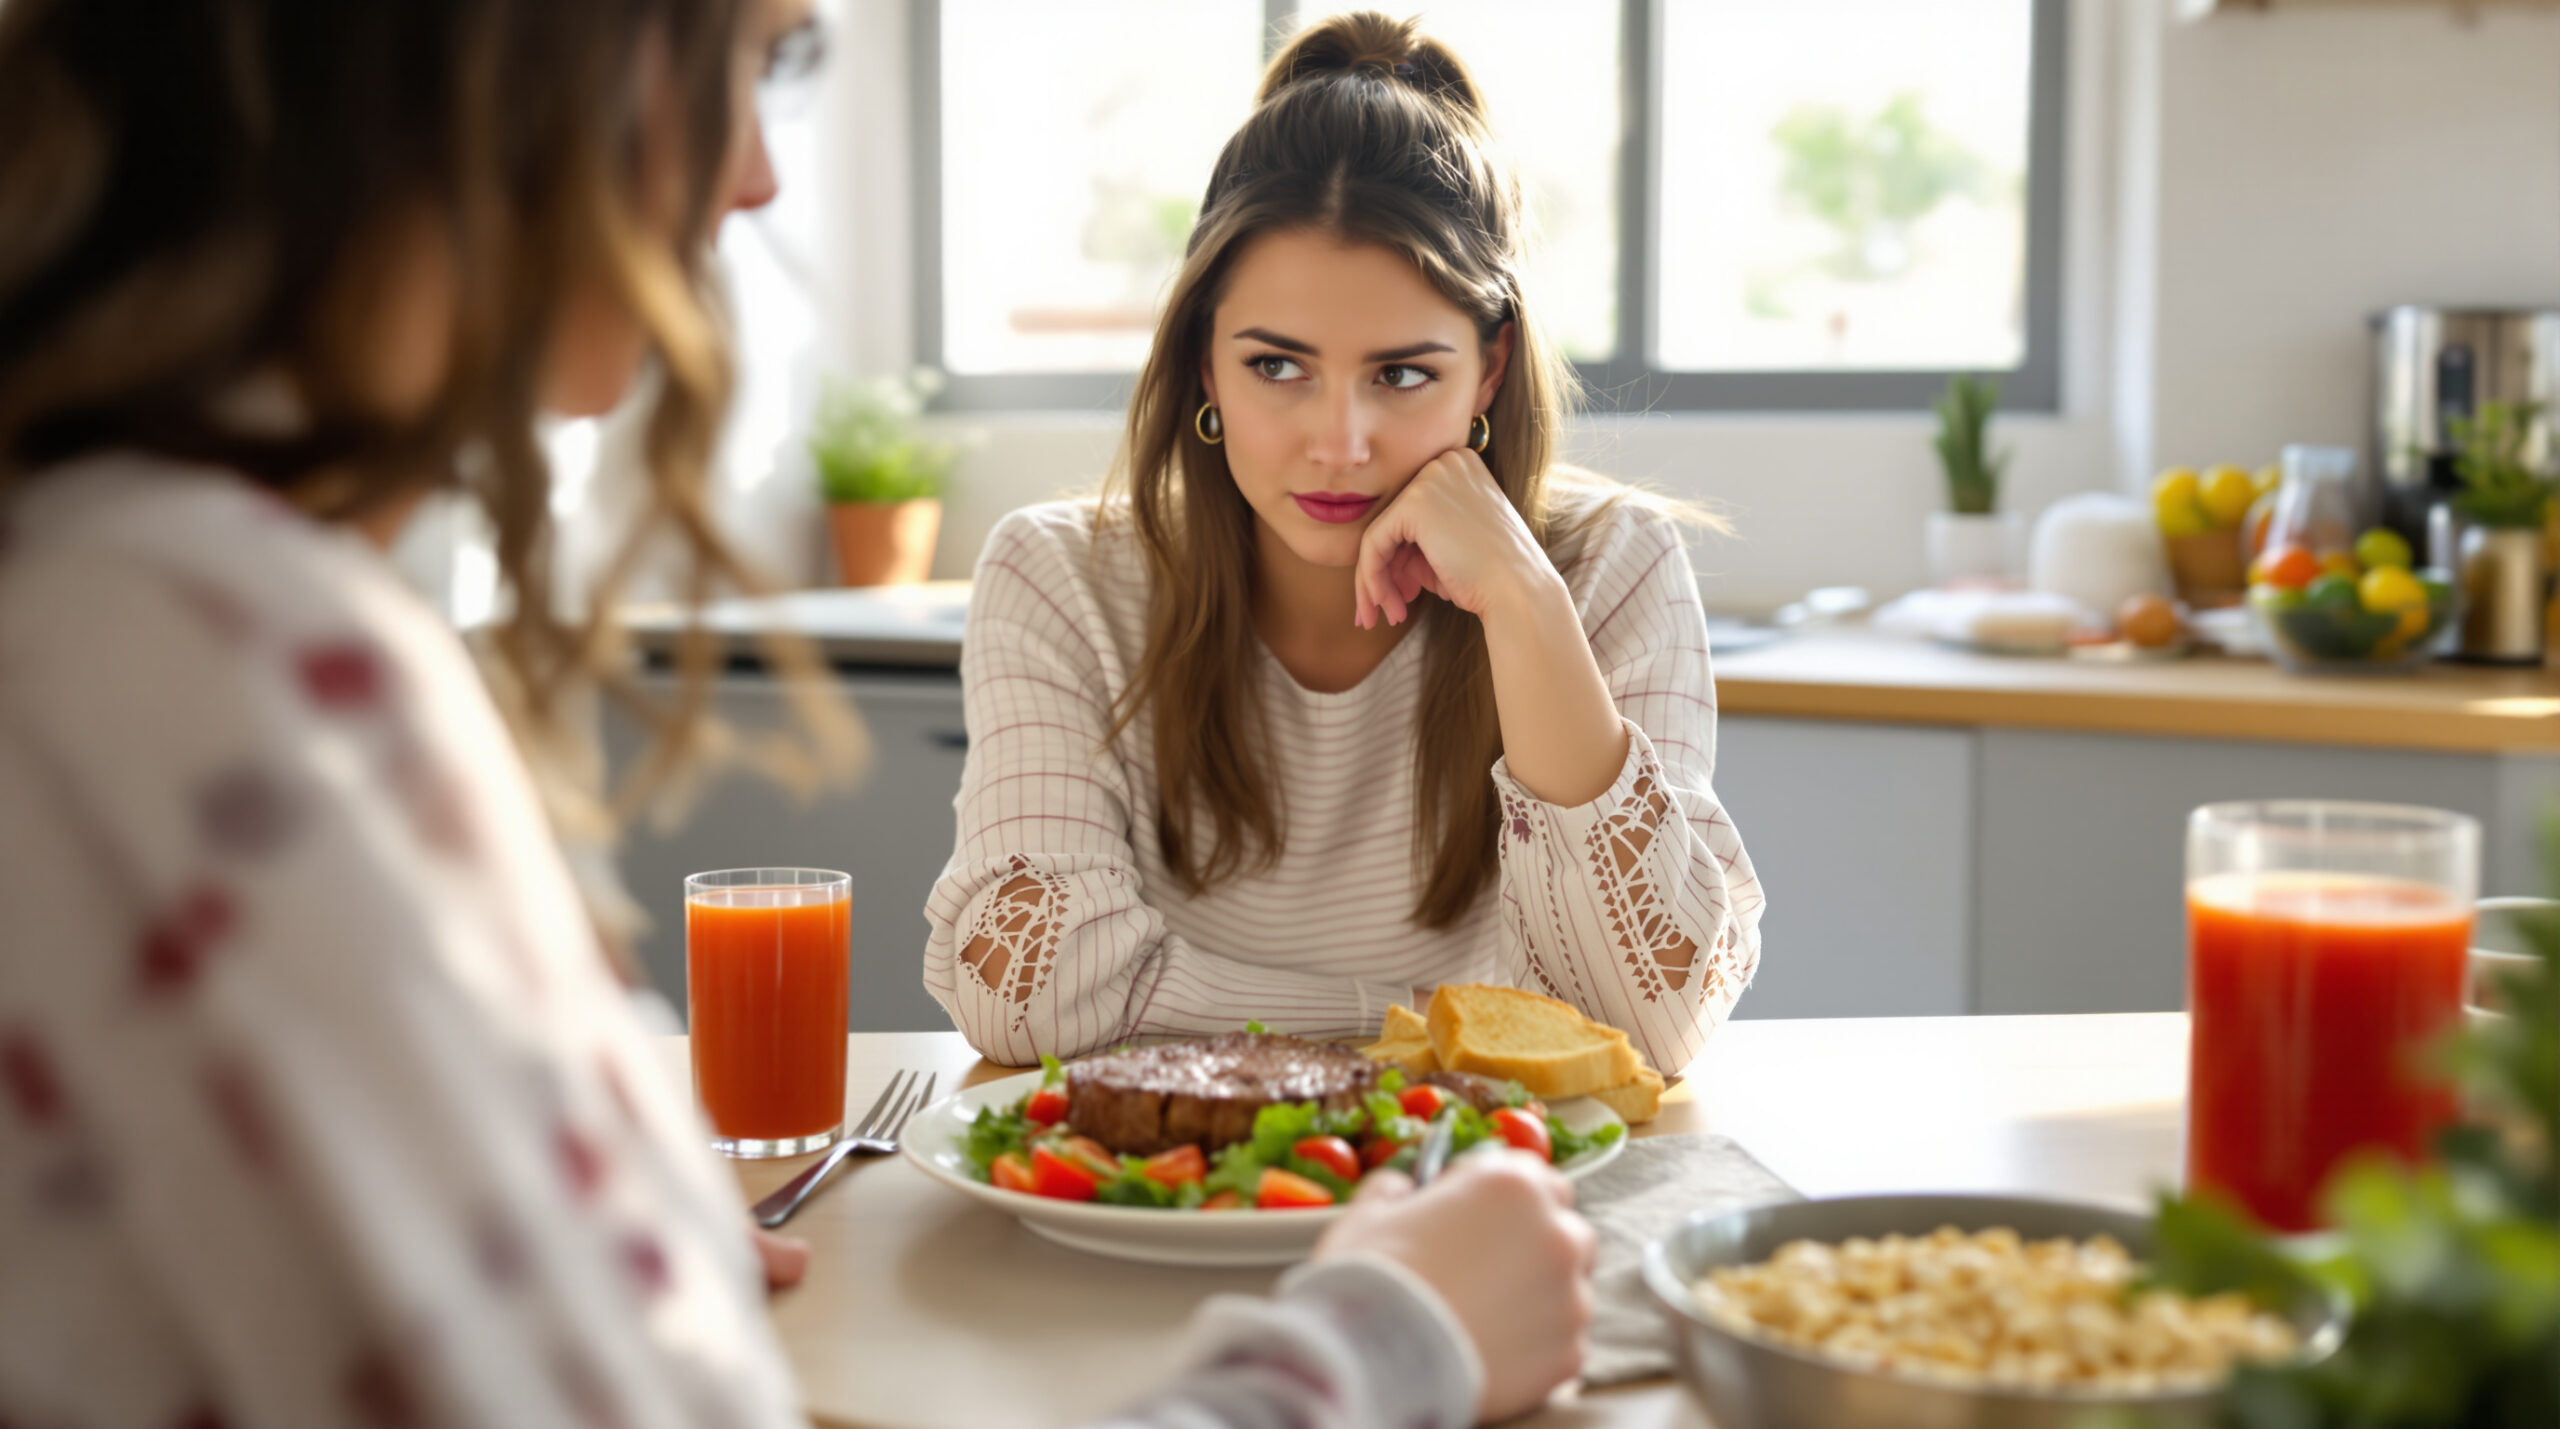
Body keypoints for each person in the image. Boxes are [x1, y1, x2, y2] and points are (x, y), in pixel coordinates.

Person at [0, 2, 1592, 1427]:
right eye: (754, 63)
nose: (760, 177)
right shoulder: (210, 674)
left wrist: (599, 1242)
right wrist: (1386, 1344)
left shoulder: (135, 606)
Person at [923, 12, 1766, 1075]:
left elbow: (1651, 1026)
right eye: (1277, 366)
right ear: (1202, 364)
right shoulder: (1060, 579)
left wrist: (1524, 603)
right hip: (1176, 1202)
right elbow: (1028, 999)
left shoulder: (1611, 566)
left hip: (1509, 1201)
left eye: (1401, 374)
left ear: (1489, 373)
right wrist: (1433, 1027)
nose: (1337, 443)